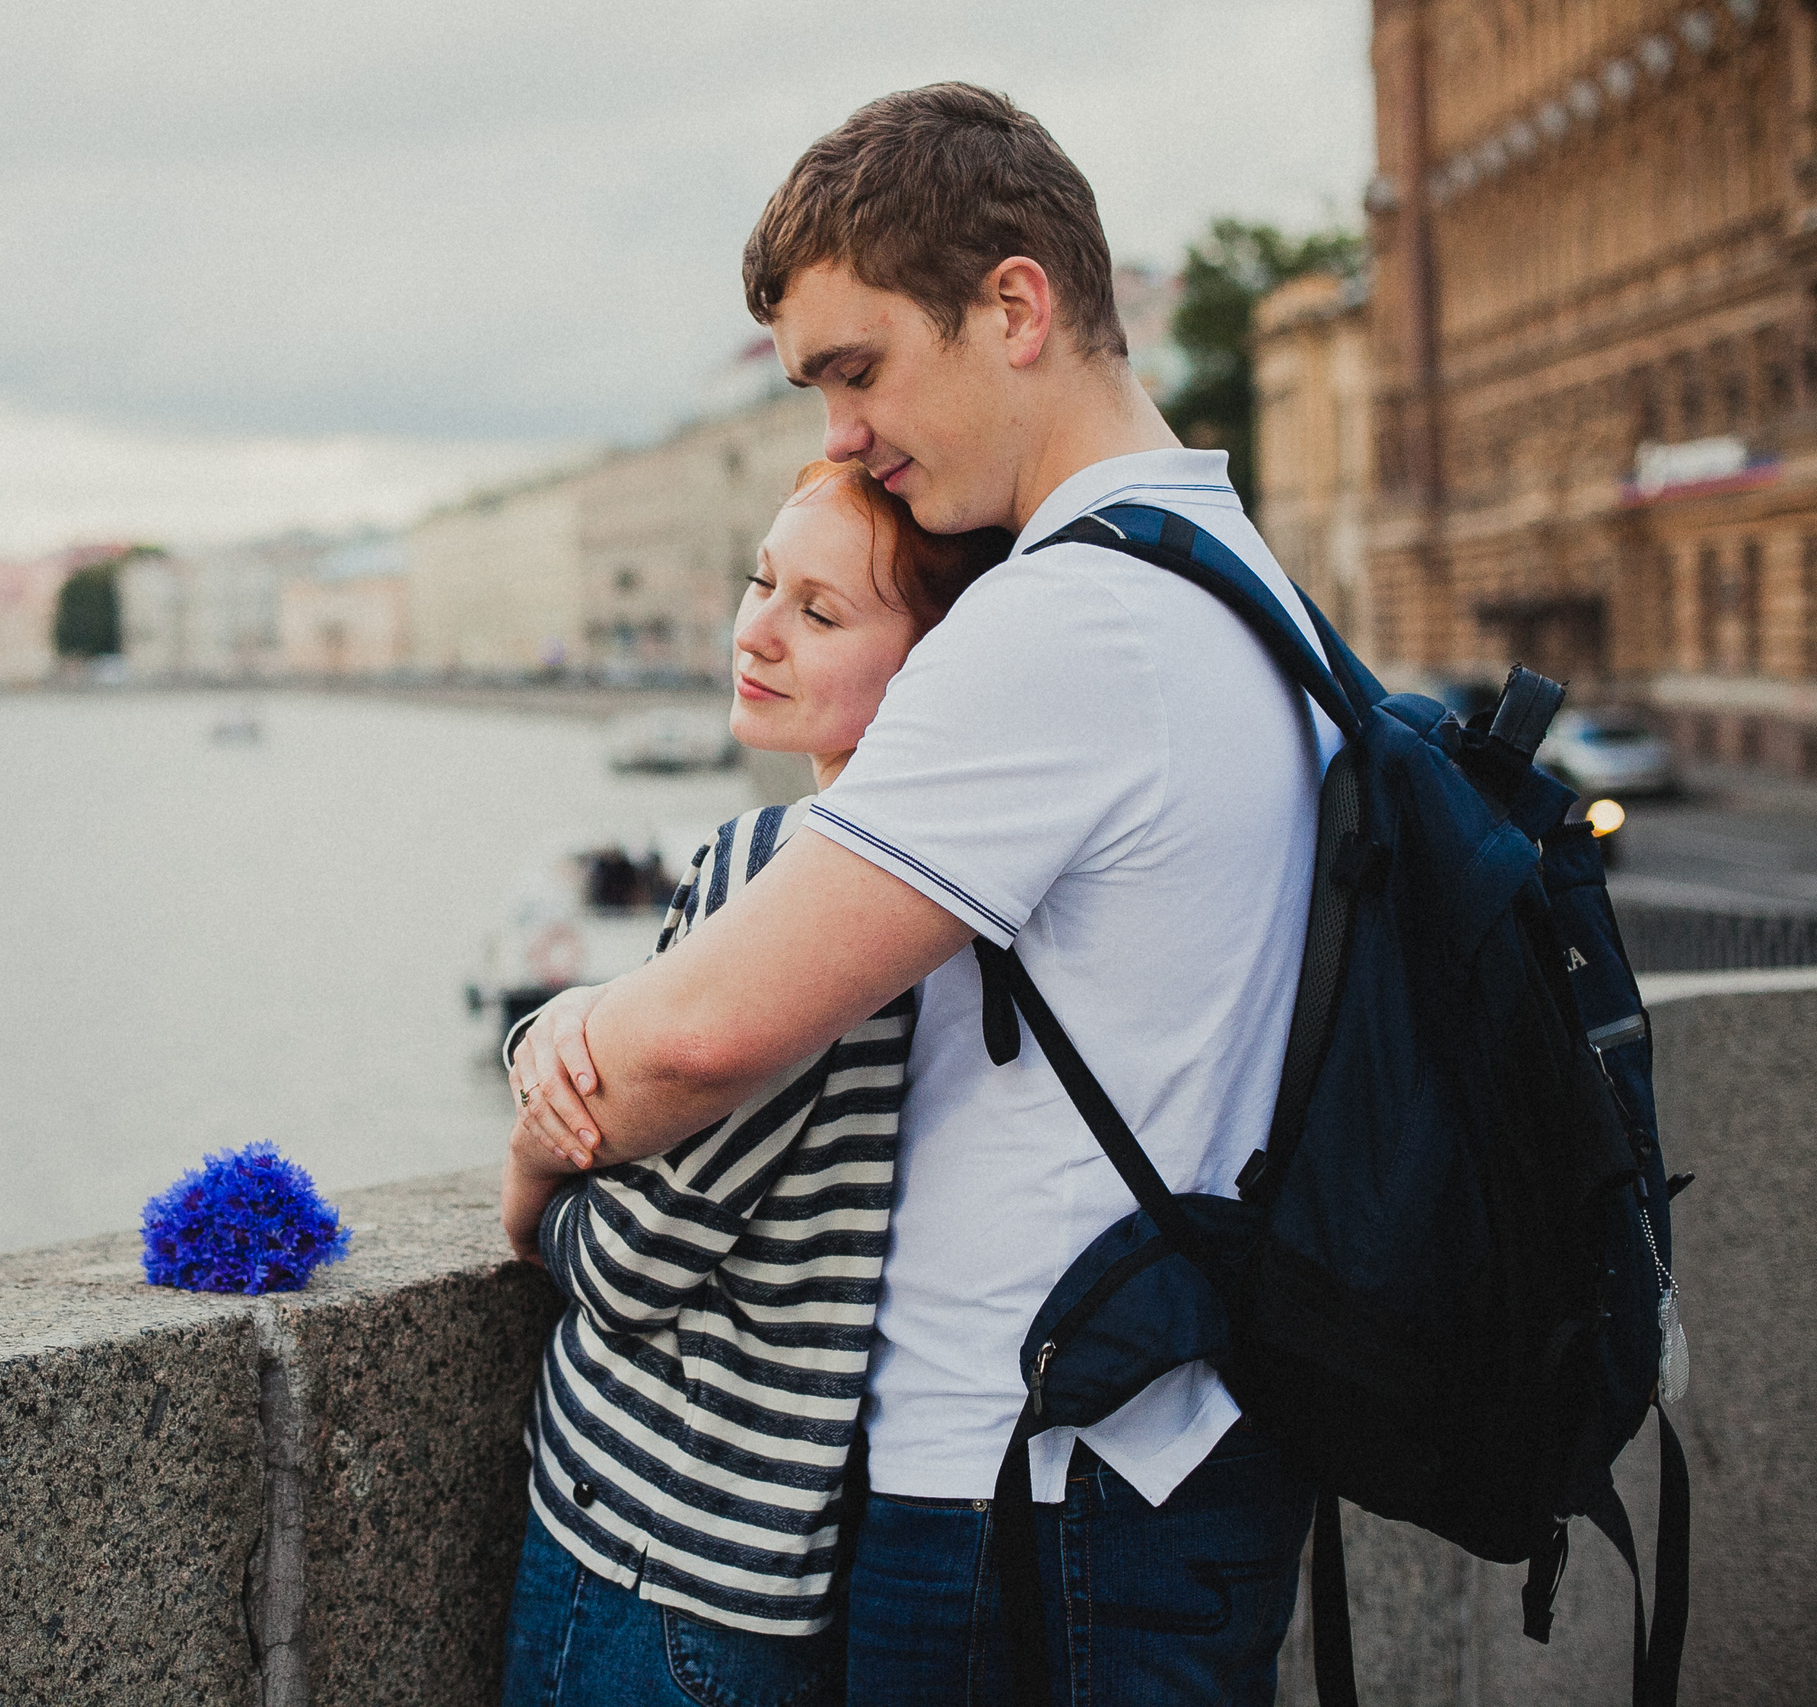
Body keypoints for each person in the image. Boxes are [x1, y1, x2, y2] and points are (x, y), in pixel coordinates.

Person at [507, 84, 1341, 1705]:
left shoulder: (1068, 625)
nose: (839, 433)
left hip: (1036, 1485)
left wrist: (547, 1067)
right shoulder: (1247, 585)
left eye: (857, 368)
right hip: (1184, 1438)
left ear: (1015, 306)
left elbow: (685, 1046)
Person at [498, 460, 1010, 1707]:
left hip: (648, 1542)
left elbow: (633, 1259)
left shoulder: (783, 867)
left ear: (933, 673)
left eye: (820, 613)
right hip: (792, 1560)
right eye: (762, 581)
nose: (757, 630)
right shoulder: (966, 891)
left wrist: (527, 1179)